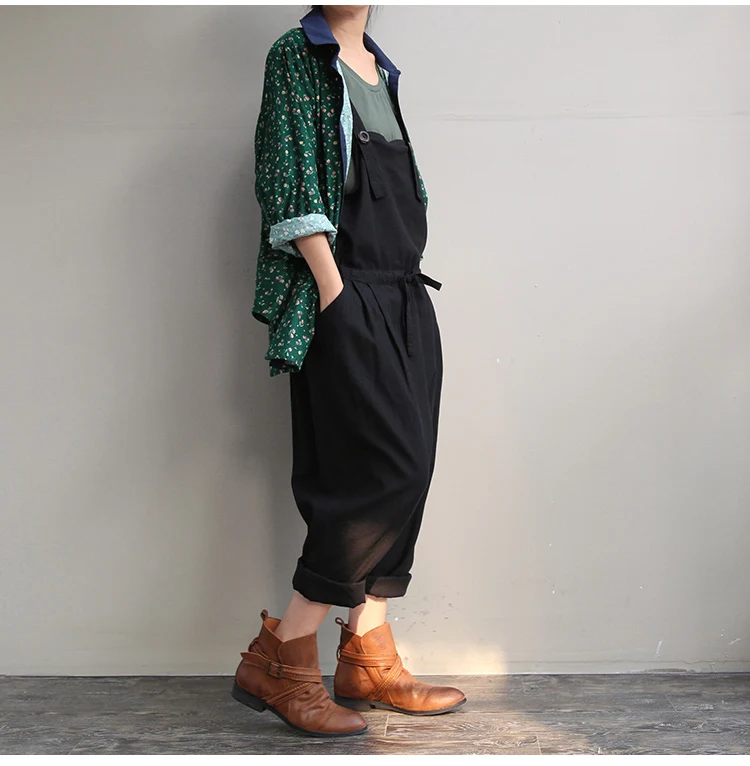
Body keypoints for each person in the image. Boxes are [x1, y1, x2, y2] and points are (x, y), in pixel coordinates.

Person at [232, 5, 466, 737]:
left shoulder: (380, 66)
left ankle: (367, 653)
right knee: (376, 472)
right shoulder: (296, 55)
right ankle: (282, 653)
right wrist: (333, 292)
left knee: (412, 468)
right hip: (346, 289)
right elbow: (288, 176)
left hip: (405, 292)